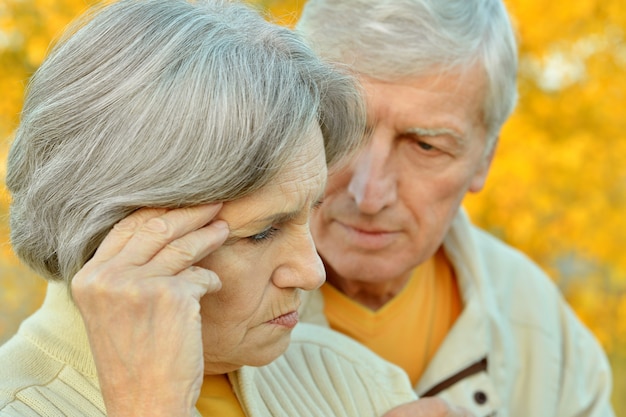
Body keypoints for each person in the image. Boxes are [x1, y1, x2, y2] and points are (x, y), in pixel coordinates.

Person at [0, 0, 424, 416]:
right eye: (261, 232)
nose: (312, 272)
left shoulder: (352, 380)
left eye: (309, 212)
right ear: (116, 230)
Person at [295, 0, 616, 416]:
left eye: (426, 145)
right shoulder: (206, 303)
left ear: (485, 159)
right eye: (339, 127)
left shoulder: (542, 330)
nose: (369, 193)